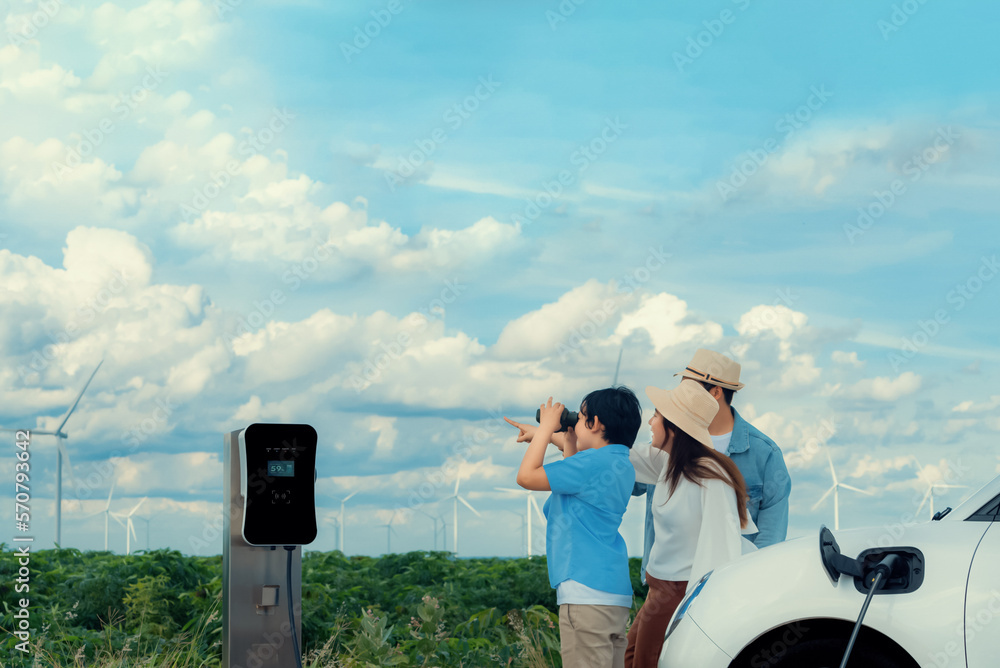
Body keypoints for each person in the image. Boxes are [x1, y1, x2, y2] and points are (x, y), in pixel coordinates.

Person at [510, 386, 642, 668]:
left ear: (596, 424)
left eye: (581, 418)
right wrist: (568, 440)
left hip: (585, 595)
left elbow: (526, 477)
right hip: (613, 595)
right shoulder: (621, 463)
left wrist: (546, 429)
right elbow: (575, 488)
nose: (576, 423)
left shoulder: (592, 464)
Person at [624, 380, 753, 668]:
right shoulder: (671, 463)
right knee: (633, 658)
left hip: (679, 591)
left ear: (674, 425)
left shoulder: (710, 476)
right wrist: (555, 435)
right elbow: (619, 457)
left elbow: (722, 548)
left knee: (646, 662)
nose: (650, 421)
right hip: (658, 588)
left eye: (656, 415)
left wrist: (699, 607)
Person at [676, 348, 791, 547]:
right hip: (668, 577)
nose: (679, 397)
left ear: (715, 392)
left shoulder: (766, 455)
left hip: (733, 577)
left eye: (688, 390)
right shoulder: (669, 443)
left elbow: (770, 538)